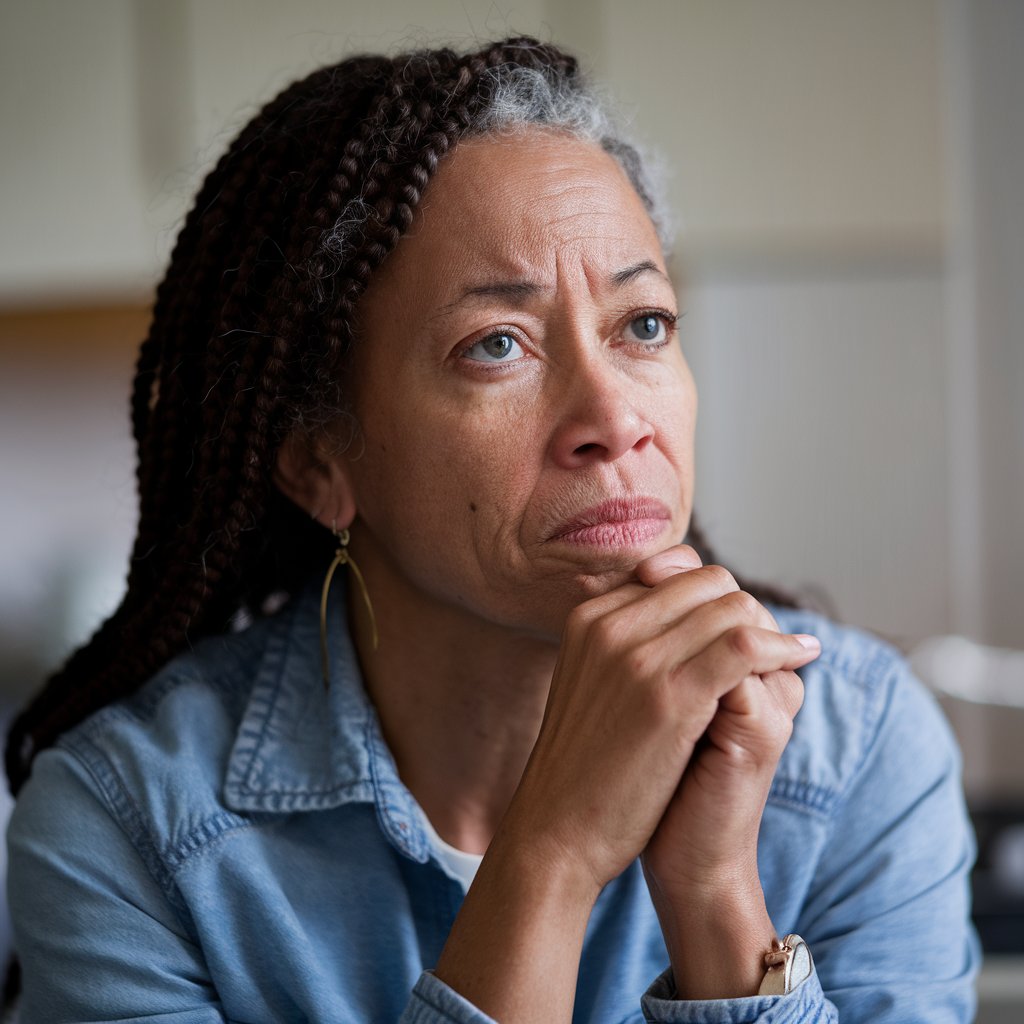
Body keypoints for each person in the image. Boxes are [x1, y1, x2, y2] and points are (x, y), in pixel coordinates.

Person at [5, 37, 978, 1023]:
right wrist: (549, 860)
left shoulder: (856, 755)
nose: (614, 417)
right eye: (496, 345)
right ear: (320, 465)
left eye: (642, 324)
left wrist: (716, 893)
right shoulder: (124, 830)